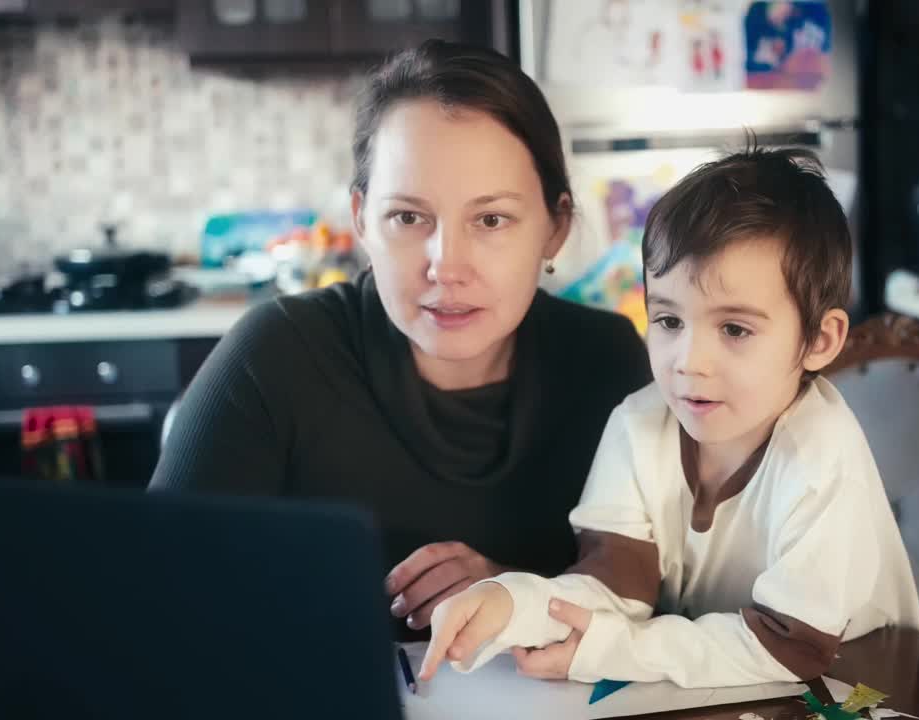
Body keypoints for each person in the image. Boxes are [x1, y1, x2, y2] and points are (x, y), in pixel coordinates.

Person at [149, 41, 651, 637]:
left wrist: (514, 598)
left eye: (491, 220)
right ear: (362, 219)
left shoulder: (607, 362)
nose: (446, 265)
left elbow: (666, 600)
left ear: (555, 228)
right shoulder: (274, 356)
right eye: (409, 218)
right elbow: (152, 596)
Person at [420, 146, 919, 687]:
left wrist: (616, 649)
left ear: (819, 340)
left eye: (734, 330)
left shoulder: (823, 454)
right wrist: (512, 604)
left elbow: (790, 646)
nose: (689, 362)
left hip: (865, 689)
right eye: (667, 320)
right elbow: (614, 586)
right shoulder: (639, 424)